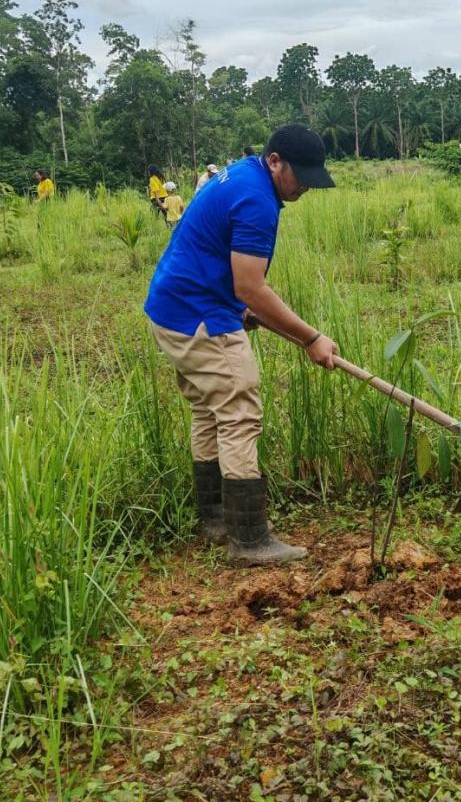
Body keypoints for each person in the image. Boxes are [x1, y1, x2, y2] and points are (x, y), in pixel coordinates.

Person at [143, 125, 337, 566]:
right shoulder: (257, 200)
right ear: (275, 161)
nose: (305, 187)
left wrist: (241, 307)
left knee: (209, 410)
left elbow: (217, 257)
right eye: (301, 176)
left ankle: (215, 519)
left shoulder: (243, 174)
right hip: (198, 314)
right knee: (239, 410)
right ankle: (249, 539)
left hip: (172, 307)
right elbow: (250, 286)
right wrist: (311, 338)